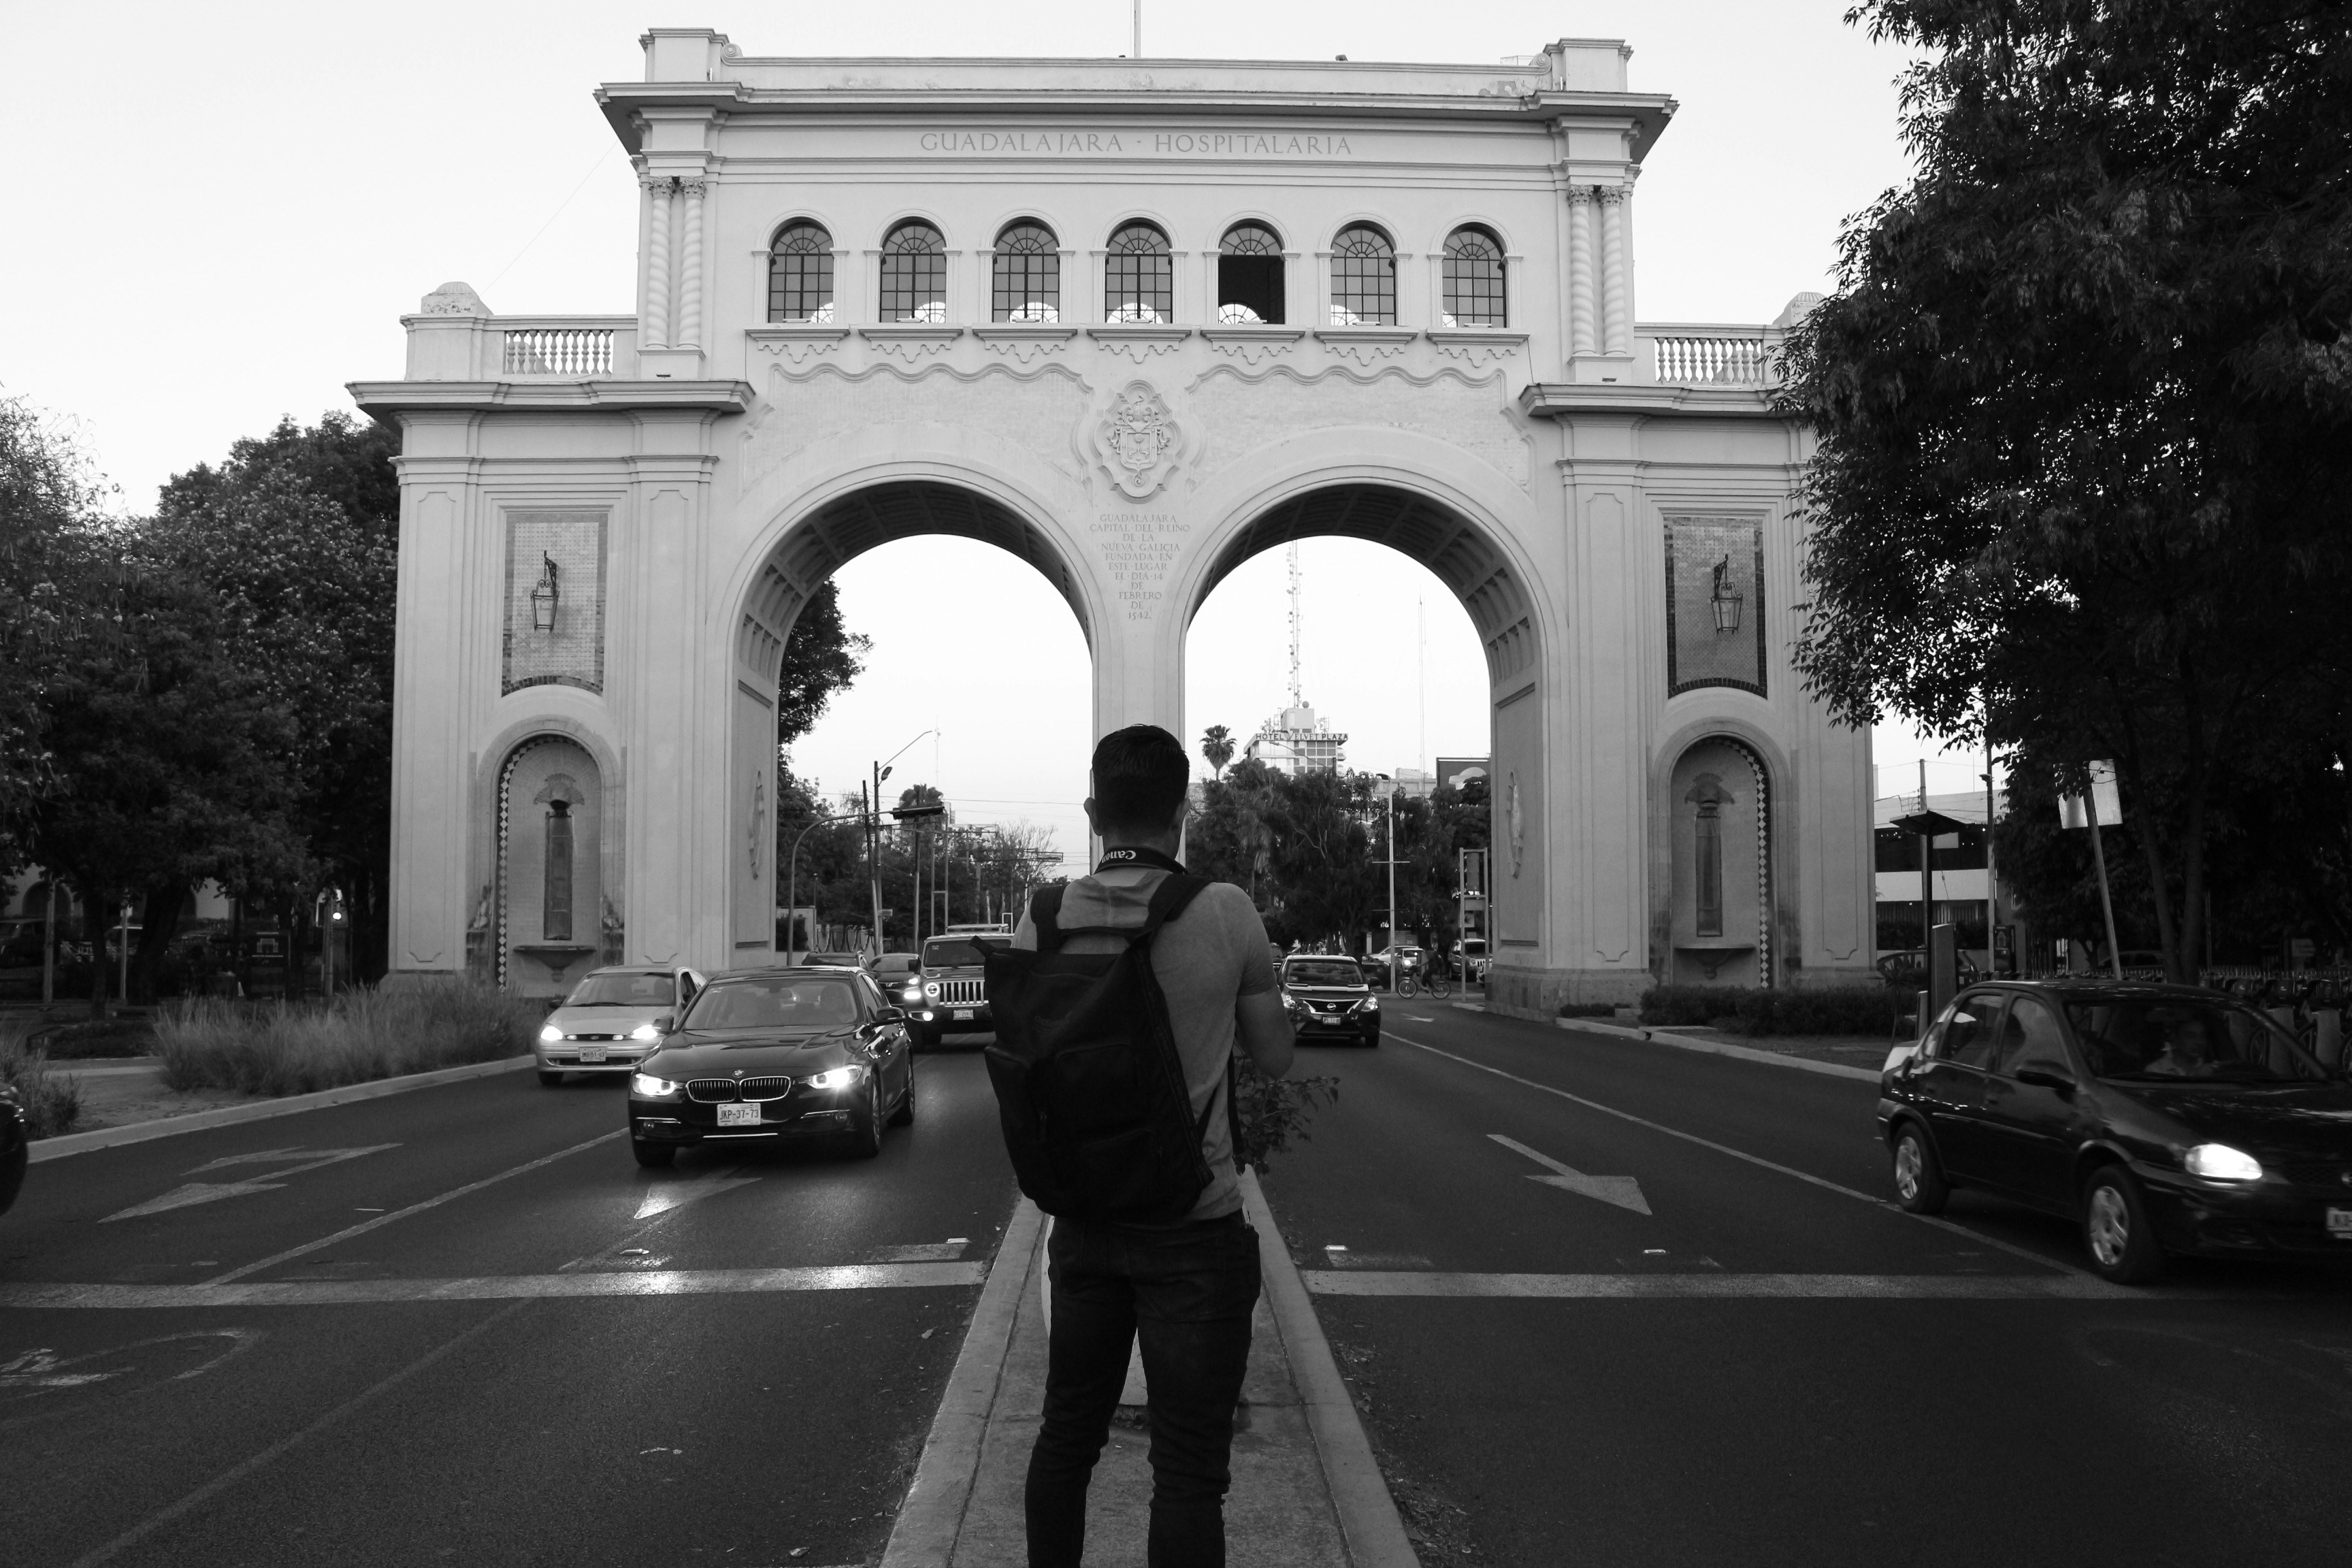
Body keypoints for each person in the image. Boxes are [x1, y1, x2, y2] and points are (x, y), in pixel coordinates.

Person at [1020, 723, 1295, 1568]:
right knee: (1186, 1471)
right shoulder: (1224, 913)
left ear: (1095, 812)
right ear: (1183, 813)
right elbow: (1275, 1057)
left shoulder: (1044, 916)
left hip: (1089, 1224)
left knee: (1067, 1436)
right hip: (1194, 1226)